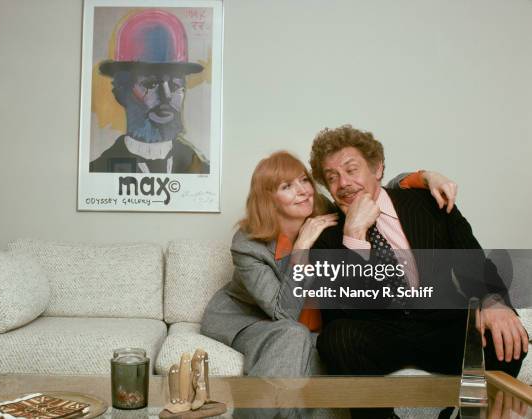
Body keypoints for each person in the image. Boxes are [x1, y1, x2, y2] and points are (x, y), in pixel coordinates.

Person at [310, 125, 529, 419]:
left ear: (377, 168)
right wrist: (354, 235)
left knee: (507, 332)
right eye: (332, 177)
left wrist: (492, 302)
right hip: (381, 334)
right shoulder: (327, 235)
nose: (343, 183)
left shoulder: (429, 203)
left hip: (440, 326)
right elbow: (342, 313)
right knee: (336, 338)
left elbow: (472, 261)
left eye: (351, 170)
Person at [201, 150, 458, 377]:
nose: (303, 191)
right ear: (268, 199)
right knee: (293, 336)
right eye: (287, 186)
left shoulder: (323, 210)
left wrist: (426, 177)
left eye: (304, 181)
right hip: (252, 319)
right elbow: (283, 315)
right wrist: (301, 248)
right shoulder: (247, 244)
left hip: (312, 326)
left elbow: (374, 187)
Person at [90, 9, 209, 174]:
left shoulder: (201, 169)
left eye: (175, 85)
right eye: (151, 84)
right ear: (121, 91)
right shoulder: (99, 170)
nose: (166, 95)